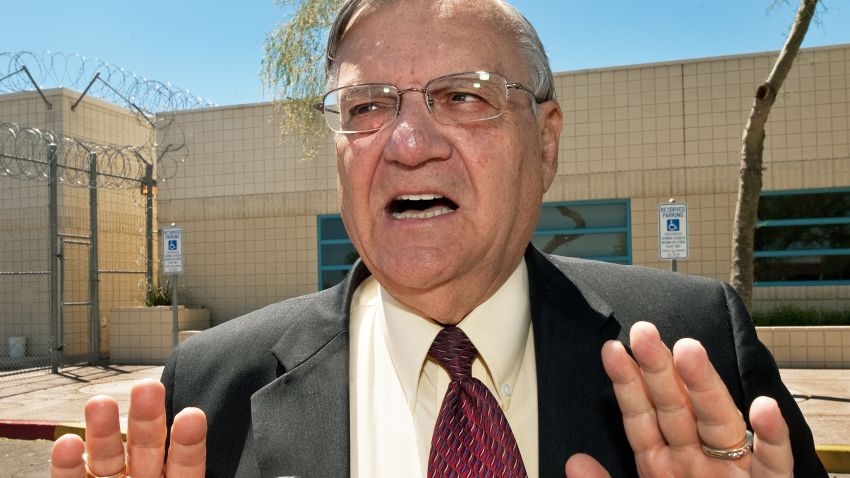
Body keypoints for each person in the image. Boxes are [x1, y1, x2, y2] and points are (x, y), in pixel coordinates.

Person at [51, 0, 827, 477]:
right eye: (366, 107)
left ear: (546, 143)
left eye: (464, 96)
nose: (409, 141)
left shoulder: (701, 351)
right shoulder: (208, 390)